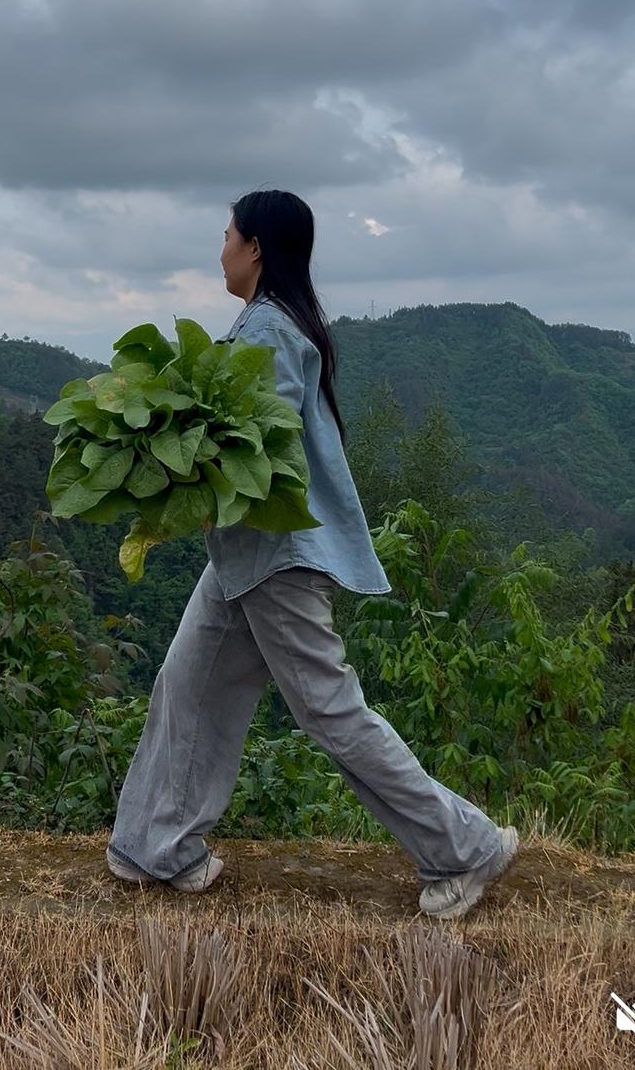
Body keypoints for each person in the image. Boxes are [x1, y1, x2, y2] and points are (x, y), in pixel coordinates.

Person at [106, 188, 518, 920]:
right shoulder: (270, 323)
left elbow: (258, 443)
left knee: (332, 713)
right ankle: (154, 847)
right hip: (245, 553)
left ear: (256, 246)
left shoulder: (265, 330)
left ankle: (464, 849)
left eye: (227, 233)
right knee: (187, 684)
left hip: (277, 556)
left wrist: (167, 457)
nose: (221, 246)